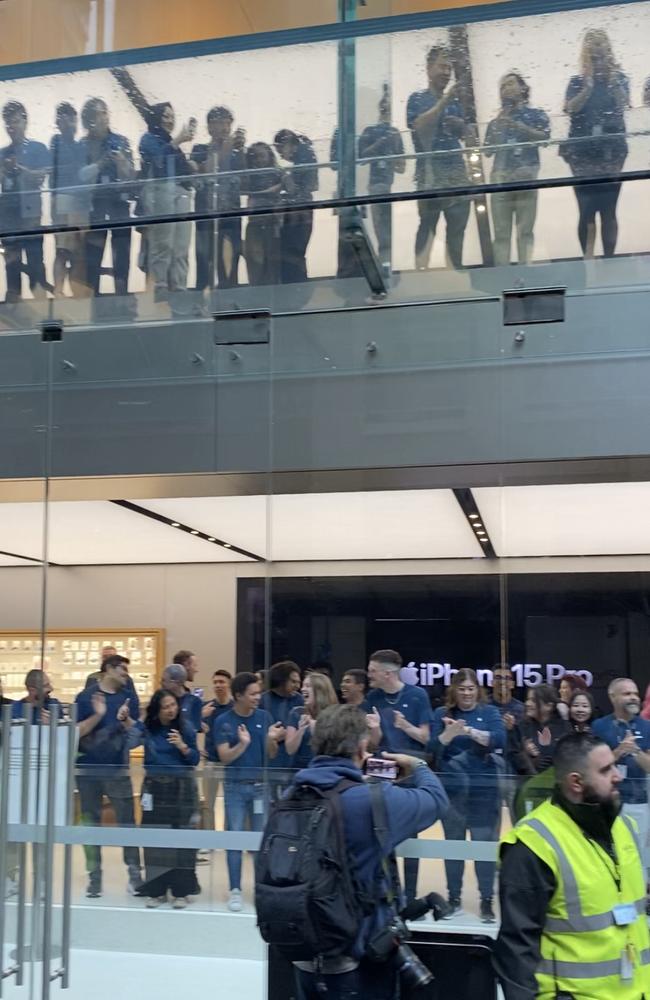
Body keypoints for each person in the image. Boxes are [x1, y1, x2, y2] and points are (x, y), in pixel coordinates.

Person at [288, 703, 449, 999]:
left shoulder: (294, 792)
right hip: (360, 960)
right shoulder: (372, 801)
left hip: (304, 954)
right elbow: (436, 800)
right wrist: (418, 766)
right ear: (362, 747)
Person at [494, 732, 650, 1000]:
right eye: (605, 769)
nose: (618, 776)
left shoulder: (625, 828)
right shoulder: (533, 845)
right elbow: (517, 949)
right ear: (576, 782)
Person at [430, 668, 505, 922]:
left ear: (478, 690)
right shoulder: (442, 714)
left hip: (484, 794)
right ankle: (454, 897)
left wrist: (469, 732)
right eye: (461, 688)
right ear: (454, 690)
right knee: (454, 846)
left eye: (471, 688)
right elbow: (432, 750)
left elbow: (498, 739)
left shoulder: (490, 712)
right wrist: (447, 735)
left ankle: (486, 899)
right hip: (453, 794)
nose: (466, 693)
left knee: (484, 846)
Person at [213, 671, 284, 912]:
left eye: (258, 693)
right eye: (252, 694)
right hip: (234, 788)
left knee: (260, 840)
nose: (257, 698)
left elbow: (271, 754)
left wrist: (271, 739)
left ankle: (261, 888)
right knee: (234, 838)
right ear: (238, 695)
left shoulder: (264, 717)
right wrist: (243, 744)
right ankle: (235, 889)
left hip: (260, 788)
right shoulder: (223, 721)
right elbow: (224, 757)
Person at [365, 648, 432, 903]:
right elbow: (372, 745)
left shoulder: (417, 696)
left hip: (409, 768)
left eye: (372, 671)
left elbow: (425, 737)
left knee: (410, 833)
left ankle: (411, 894)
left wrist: (405, 726)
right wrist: (374, 731)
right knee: (380, 830)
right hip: (380, 768)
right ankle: (388, 891)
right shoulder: (373, 697)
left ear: (388, 673)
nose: (369, 675)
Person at [74, 654, 142, 898]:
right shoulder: (85, 697)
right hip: (88, 771)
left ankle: (135, 875)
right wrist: (99, 715)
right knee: (90, 824)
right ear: (109, 669)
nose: (126, 674)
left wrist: (126, 720)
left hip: (117, 770)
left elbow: (137, 734)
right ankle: (94, 877)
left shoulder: (129, 697)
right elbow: (77, 732)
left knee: (127, 824)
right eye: (123, 669)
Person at [562, 29, 629, 258]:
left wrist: (612, 81)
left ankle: (609, 260)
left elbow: (624, 104)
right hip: (581, 156)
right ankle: (587, 261)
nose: (598, 58)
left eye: (602, 52)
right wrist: (588, 86)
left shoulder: (619, 79)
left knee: (609, 209)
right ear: (586, 55)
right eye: (593, 54)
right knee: (586, 210)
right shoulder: (576, 82)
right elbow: (570, 107)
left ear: (609, 53)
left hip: (612, 155)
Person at [406, 45, 469, 270]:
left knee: (457, 230)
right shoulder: (416, 98)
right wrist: (444, 102)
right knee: (427, 226)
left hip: (457, 175)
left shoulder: (455, 102)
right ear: (428, 68)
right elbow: (419, 128)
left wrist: (462, 126)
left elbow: (466, 135)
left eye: (449, 68)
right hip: (430, 177)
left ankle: (455, 274)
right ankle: (420, 273)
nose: (446, 72)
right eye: (442, 66)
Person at [136, 689, 200, 909]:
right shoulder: (149, 728)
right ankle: (156, 889)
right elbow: (131, 737)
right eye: (166, 706)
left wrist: (182, 746)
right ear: (157, 710)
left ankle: (181, 891)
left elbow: (195, 759)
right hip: (154, 787)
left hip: (181, 788)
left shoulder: (186, 727)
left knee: (182, 839)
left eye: (173, 705)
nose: (171, 710)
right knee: (154, 839)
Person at [484, 72, 550, 266]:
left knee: (525, 231)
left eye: (510, 84)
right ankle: (503, 276)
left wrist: (519, 126)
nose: (506, 89)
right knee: (501, 233)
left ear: (523, 88)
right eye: (502, 87)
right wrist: (499, 122)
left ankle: (525, 274)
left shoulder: (537, 114)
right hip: (500, 180)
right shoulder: (496, 122)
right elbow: (487, 151)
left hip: (526, 178)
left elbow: (544, 138)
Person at [138, 103, 196, 305]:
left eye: (172, 116)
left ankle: (179, 285)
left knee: (181, 243)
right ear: (156, 118)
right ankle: (160, 284)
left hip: (181, 192)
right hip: (160, 190)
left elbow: (182, 170)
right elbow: (158, 160)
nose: (170, 120)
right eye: (166, 116)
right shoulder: (148, 139)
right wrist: (179, 140)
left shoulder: (171, 142)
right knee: (163, 240)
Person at [79, 97, 135, 304]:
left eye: (104, 113)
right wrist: (101, 163)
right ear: (87, 121)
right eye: (96, 115)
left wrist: (121, 162)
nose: (102, 118)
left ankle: (122, 294)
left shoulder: (121, 141)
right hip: (94, 205)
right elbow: (80, 177)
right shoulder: (83, 145)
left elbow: (131, 177)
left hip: (119, 203)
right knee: (93, 254)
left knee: (122, 251)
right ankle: (92, 296)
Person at [593, 678, 650, 861]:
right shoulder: (599, 726)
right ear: (613, 697)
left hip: (638, 802)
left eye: (635, 693)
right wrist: (618, 751)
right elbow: (595, 765)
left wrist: (635, 751)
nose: (633, 698)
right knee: (609, 851)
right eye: (627, 694)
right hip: (607, 800)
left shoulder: (646, 727)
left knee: (637, 853)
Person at [190, 106, 246, 292]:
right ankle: (202, 301)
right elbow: (203, 171)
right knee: (204, 259)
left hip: (231, 214)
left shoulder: (237, 152)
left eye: (227, 122)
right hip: (206, 215)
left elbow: (247, 181)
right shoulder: (199, 149)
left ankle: (230, 300)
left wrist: (242, 150)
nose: (223, 127)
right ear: (209, 127)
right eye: (219, 122)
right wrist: (225, 149)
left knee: (232, 260)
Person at [0, 100, 50, 302]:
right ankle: (14, 307)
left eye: (15, 122)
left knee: (36, 259)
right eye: (8, 123)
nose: (12, 127)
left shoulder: (38, 148)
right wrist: (3, 170)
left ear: (25, 121)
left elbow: (41, 177)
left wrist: (19, 168)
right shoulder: (2, 154)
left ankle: (39, 303)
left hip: (30, 212)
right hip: (8, 214)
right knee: (11, 261)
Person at [358, 85, 406, 266]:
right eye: (384, 107)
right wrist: (380, 144)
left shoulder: (395, 133)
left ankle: (386, 265)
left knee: (388, 233)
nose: (386, 111)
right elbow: (361, 157)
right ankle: (383, 265)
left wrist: (392, 157)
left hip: (389, 187)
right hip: (376, 186)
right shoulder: (370, 131)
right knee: (381, 232)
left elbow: (402, 167)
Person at [49, 102, 87, 297]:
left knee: (78, 252)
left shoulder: (80, 146)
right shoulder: (56, 142)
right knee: (62, 249)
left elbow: (82, 174)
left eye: (73, 118)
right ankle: (58, 290)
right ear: (58, 121)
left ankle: (76, 290)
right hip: (63, 199)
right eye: (64, 118)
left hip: (79, 203)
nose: (70, 123)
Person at [273, 129, 318, 283]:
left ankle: (294, 286)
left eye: (280, 150)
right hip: (301, 210)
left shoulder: (304, 156)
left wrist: (285, 178)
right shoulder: (306, 154)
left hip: (298, 212)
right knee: (295, 253)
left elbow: (303, 188)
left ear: (289, 144)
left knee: (291, 253)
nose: (281, 155)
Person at [260, 660, 304, 794]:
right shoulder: (263, 700)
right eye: (293, 681)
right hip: (271, 765)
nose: (297, 686)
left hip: (295, 764)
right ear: (281, 680)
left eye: (298, 682)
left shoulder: (300, 700)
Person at [243, 142, 283, 286]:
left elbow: (282, 187)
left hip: (273, 222)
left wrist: (259, 195)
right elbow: (243, 188)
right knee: (255, 263)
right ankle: (257, 295)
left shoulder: (277, 172)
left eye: (262, 156)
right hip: (255, 222)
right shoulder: (249, 174)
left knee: (273, 262)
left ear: (270, 156)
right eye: (254, 157)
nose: (259, 160)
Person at [285, 672, 339, 769]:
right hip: (299, 770)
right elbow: (290, 749)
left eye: (307, 686)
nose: (302, 689)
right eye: (303, 685)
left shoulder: (335, 715)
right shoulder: (296, 713)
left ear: (320, 690)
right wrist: (301, 730)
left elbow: (335, 750)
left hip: (325, 769)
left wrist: (315, 729)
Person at [201, 669, 233, 831]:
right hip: (211, 761)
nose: (218, 685)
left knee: (231, 803)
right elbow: (192, 728)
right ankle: (208, 839)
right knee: (208, 803)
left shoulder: (235, 708)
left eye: (222, 682)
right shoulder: (207, 708)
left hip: (230, 763)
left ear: (229, 684)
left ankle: (228, 838)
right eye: (215, 682)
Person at [161, 664, 202, 734]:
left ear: (175, 682)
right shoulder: (162, 700)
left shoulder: (194, 701)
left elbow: (194, 730)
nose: (161, 683)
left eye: (164, 680)